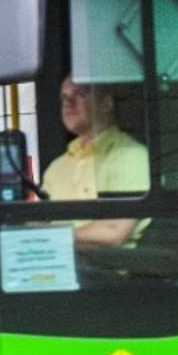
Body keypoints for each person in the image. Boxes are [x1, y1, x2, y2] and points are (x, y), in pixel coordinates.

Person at [41, 78, 150, 249]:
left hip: (108, 265)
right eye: (64, 97)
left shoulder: (131, 157)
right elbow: (38, 223)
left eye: (80, 94)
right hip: (58, 263)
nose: (68, 103)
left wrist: (47, 239)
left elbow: (112, 232)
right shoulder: (57, 167)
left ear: (106, 103)